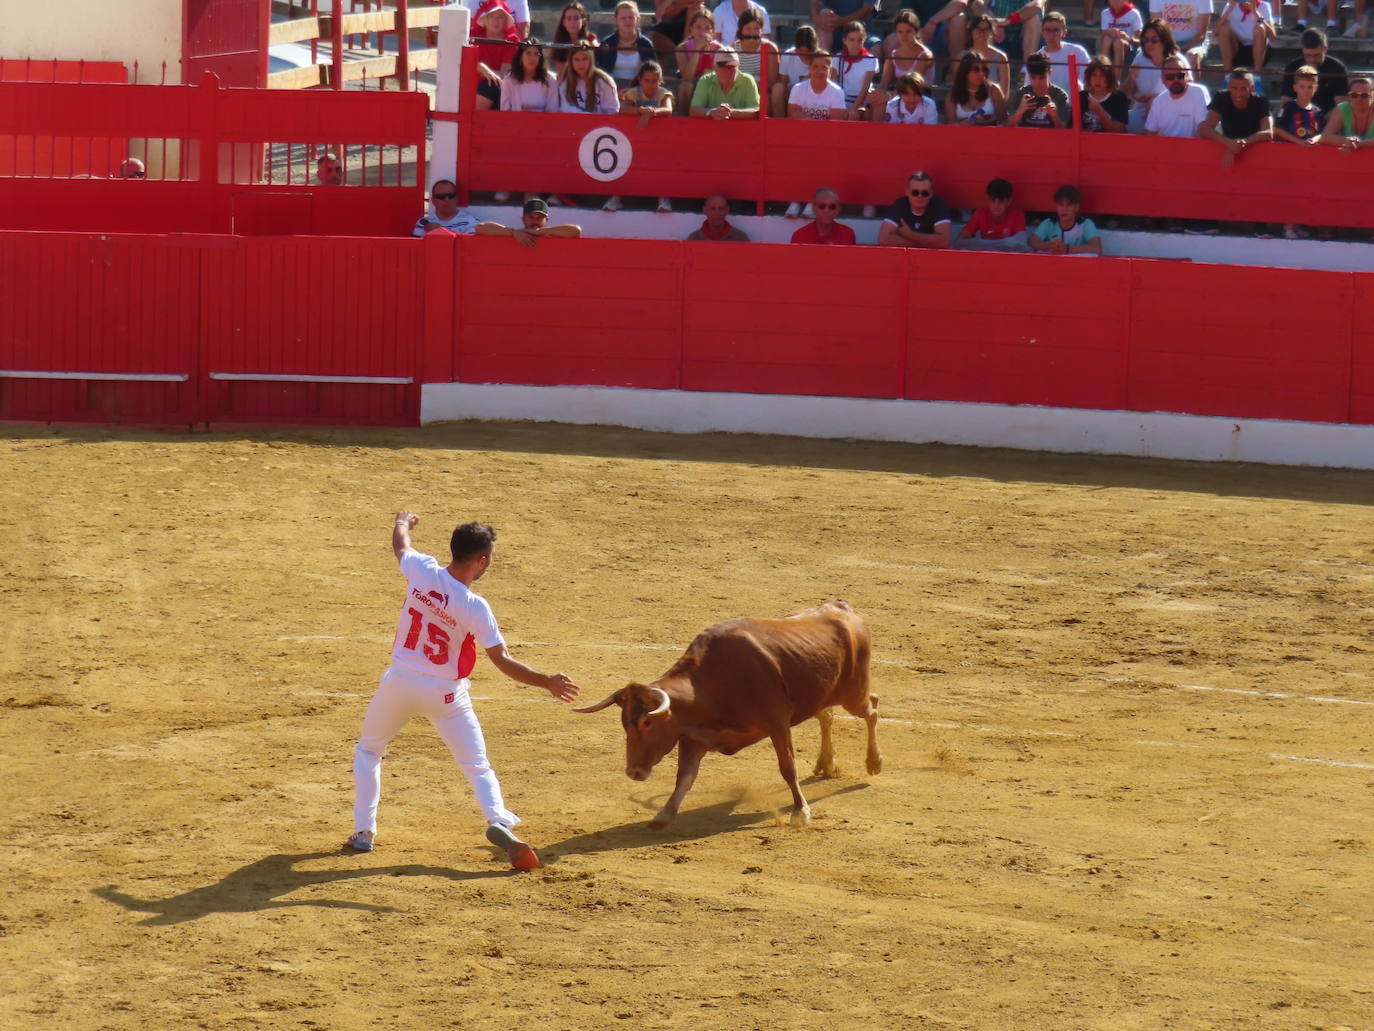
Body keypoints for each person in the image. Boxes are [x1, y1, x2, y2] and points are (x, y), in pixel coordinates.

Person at [346, 515, 580, 868]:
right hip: (446, 693)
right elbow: (502, 661)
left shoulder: (422, 570)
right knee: (476, 765)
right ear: (480, 560)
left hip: (400, 681)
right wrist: (546, 680)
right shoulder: (474, 606)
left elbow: (400, 545)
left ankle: (364, 833)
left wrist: (402, 522)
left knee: (369, 751)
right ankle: (497, 819)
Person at [612, 61, 675, 213]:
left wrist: (651, 112)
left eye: (654, 81)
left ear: (660, 82)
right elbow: (623, 109)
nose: (651, 84)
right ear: (640, 80)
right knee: (623, 166)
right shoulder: (633, 93)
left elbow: (668, 110)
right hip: (634, 140)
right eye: (647, 80)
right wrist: (641, 111)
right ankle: (616, 197)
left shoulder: (663, 93)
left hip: (659, 142)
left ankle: (663, 199)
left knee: (661, 168)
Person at [1272, 65, 1325, 239]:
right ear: (1295, 87)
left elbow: (1321, 133)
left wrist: (1313, 141)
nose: (1306, 91)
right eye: (1302, 87)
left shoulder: (1317, 111)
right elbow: (1277, 129)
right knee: (1290, 192)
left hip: (1309, 160)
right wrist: (1298, 142)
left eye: (1310, 87)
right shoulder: (1288, 107)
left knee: (1304, 192)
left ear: (1316, 88)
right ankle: (1288, 226)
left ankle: (1298, 223)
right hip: (1289, 157)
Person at [1198, 68, 1273, 168]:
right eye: (1234, 88)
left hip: (1255, 149)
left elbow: (1268, 133)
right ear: (1228, 87)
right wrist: (1230, 144)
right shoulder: (1221, 97)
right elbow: (1204, 129)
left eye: (1243, 89)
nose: (1238, 94)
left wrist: (1242, 143)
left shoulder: (1261, 101)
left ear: (1252, 88)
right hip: (1227, 145)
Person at [870, 10, 934, 121]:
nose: (904, 36)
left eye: (908, 31)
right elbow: (883, 83)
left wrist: (888, 96)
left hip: (920, 96)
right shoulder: (894, 54)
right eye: (900, 32)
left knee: (883, 101)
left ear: (916, 31)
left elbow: (915, 85)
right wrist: (877, 95)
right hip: (900, 95)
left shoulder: (925, 55)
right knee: (877, 102)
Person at [877, 170, 954, 248]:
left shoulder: (938, 204)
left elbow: (943, 242)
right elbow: (883, 239)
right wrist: (921, 245)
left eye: (924, 193)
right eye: (915, 192)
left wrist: (908, 234)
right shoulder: (901, 204)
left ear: (931, 194)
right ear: (907, 192)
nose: (919, 196)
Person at [1126, 18, 1179, 128]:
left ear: (1164, 41)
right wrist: (1131, 79)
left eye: (1154, 40)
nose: (1149, 44)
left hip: (1172, 115)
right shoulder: (1140, 58)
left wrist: (1154, 97)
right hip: (1141, 112)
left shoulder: (1178, 62)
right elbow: (1126, 91)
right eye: (1145, 40)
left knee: (1153, 103)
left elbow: (1185, 94)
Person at [1280, 29, 1348, 115]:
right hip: (1298, 119)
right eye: (1308, 55)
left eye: (1316, 55)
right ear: (1303, 50)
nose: (1312, 60)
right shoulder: (1292, 68)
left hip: (1328, 119)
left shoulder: (1337, 68)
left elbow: (1341, 105)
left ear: (1325, 49)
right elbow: (1286, 102)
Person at [1144, 53, 1210, 137]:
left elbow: (1203, 129)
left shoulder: (1198, 92)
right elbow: (1151, 133)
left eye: (1180, 75)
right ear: (1163, 79)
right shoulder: (1158, 101)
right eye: (1170, 77)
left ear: (1187, 75)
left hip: (1192, 146)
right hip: (1166, 147)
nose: (1176, 80)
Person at [598, 1, 657, 89]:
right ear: (616, 20)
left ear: (637, 19)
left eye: (631, 18)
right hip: (611, 89)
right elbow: (600, 73)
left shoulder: (646, 44)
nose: (627, 21)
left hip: (639, 89)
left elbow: (653, 73)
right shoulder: (607, 43)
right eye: (623, 18)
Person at [476, 198, 583, 246]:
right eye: (531, 217)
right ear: (523, 219)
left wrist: (539, 232)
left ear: (547, 220)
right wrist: (513, 232)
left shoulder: (554, 233)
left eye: (539, 218)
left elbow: (575, 231)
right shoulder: (515, 233)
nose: (535, 221)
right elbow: (480, 227)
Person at [956, 176, 1028, 249]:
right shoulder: (980, 213)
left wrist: (982, 244)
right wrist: (1005, 243)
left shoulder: (1017, 214)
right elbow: (960, 242)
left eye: (1001, 201)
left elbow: (1021, 241)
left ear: (1009, 201)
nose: (996, 206)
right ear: (987, 199)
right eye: (992, 200)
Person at [1029, 184, 1102, 254]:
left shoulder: (1086, 224)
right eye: (1061, 205)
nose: (1064, 209)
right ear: (1056, 207)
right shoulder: (1049, 223)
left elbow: (1097, 248)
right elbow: (1033, 241)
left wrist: (1067, 248)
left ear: (1076, 207)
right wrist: (1049, 245)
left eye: (1069, 205)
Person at [689, 48, 761, 118]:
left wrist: (727, 113)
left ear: (738, 66)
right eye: (722, 65)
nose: (727, 70)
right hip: (710, 129)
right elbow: (694, 110)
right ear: (714, 67)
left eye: (732, 66)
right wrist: (712, 112)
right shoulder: (705, 80)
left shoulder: (747, 81)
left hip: (741, 129)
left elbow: (756, 112)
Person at [1029, 10, 1089, 94]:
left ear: (1064, 32)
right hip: (1047, 105)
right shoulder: (1037, 59)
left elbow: (1087, 78)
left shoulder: (1078, 51)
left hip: (1074, 105)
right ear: (1042, 32)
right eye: (1047, 30)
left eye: (1056, 30)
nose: (1051, 33)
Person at [555, 41, 620, 112]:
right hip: (573, 121)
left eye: (585, 59)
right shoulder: (565, 81)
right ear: (571, 62)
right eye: (576, 59)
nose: (581, 63)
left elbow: (612, 109)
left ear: (591, 60)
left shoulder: (604, 81)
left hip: (600, 122)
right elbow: (564, 107)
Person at [972, 0, 1045, 63]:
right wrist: (991, 21)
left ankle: (1027, 71)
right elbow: (977, 4)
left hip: (1022, 39)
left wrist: (1009, 20)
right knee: (986, 23)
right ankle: (988, 69)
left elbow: (1038, 4)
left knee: (1033, 19)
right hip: (995, 37)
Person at [832, 20, 879, 118]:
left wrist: (853, 108)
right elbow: (834, 85)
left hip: (862, 101)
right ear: (844, 40)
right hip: (841, 100)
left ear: (864, 39)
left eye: (859, 40)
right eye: (852, 40)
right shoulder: (837, 58)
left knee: (855, 115)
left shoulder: (870, 60)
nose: (856, 44)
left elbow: (865, 88)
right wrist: (842, 107)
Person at [1148, 0, 1210, 73]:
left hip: (1195, 44)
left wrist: (1180, 49)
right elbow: (1157, 30)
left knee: (1191, 56)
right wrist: (1170, 47)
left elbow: (1201, 35)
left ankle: (1190, 83)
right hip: (1166, 42)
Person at [1011, 50, 1070, 127]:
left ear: (1050, 73)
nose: (1037, 82)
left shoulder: (1060, 95)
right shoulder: (1021, 93)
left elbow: (1066, 132)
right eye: (1033, 77)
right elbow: (1008, 126)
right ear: (1028, 74)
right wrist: (1020, 110)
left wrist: (1055, 116)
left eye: (1042, 78)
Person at [1216, 0, 1275, 74]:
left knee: (1260, 28)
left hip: (1260, 52)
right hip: (1236, 49)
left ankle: (1257, 76)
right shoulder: (1230, 5)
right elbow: (1216, 32)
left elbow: (1272, 36)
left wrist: (1255, 12)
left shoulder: (1264, 6)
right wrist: (1229, 10)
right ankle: (1227, 75)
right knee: (1224, 29)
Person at [773, 23, 820, 115]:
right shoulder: (788, 55)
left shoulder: (821, 58)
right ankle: (779, 124)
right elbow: (783, 83)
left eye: (808, 52)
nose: (804, 55)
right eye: (800, 51)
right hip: (791, 98)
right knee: (778, 88)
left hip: (815, 100)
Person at [1318, 74, 1374, 151]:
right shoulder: (1343, 108)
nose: (1359, 99)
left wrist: (1359, 144)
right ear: (1349, 96)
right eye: (1354, 95)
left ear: (1372, 95)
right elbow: (1325, 136)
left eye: (1364, 95)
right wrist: (1348, 141)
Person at [947, 51, 1005, 123]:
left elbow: (1004, 122)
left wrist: (984, 123)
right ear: (965, 72)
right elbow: (948, 126)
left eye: (984, 69)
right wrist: (961, 126)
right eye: (976, 70)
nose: (981, 73)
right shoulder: (953, 95)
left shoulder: (993, 90)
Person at [500, 40, 557, 110]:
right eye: (528, 53)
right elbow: (505, 111)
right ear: (520, 57)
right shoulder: (508, 81)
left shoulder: (550, 80)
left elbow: (553, 110)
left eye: (536, 54)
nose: (532, 58)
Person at [789, 50, 848, 118]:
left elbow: (836, 123)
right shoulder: (797, 89)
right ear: (809, 69)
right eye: (815, 67)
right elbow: (793, 117)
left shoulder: (837, 92)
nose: (819, 71)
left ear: (830, 71)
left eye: (824, 68)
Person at [963, 13, 1011, 96]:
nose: (982, 33)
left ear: (991, 32)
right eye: (978, 29)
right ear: (971, 32)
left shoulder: (1001, 57)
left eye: (986, 29)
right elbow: (959, 88)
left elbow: (1004, 93)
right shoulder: (961, 57)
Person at [1078, 55, 1129, 132]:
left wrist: (1100, 112)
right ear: (1088, 77)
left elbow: (1118, 132)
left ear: (1109, 77)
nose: (1097, 80)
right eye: (1094, 75)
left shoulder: (1119, 98)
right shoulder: (1081, 97)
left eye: (1102, 75)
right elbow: (1072, 129)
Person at [646, 0, 706, 65]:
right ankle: (660, 72)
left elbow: (698, 1)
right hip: (666, 28)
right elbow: (662, 12)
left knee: (695, 9)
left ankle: (685, 49)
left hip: (688, 27)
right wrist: (686, 4)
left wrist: (670, 2)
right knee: (649, 41)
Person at [811, 0, 884, 53]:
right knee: (825, 16)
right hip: (830, 31)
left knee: (875, 49)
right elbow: (815, 3)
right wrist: (816, 17)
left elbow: (867, 9)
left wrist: (841, 21)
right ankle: (824, 64)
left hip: (861, 32)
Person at [790, 187, 857, 244]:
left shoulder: (848, 234)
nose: (826, 211)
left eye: (832, 207)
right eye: (822, 206)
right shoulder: (799, 236)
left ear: (838, 209)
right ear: (814, 207)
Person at [733, 9, 781, 88]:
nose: (752, 33)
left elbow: (772, 81)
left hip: (762, 91)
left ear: (761, 30)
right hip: (739, 91)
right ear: (741, 30)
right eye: (748, 28)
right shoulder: (733, 49)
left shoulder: (770, 49)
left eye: (756, 29)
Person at [412, 180, 479, 235]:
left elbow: (469, 246)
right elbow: (419, 249)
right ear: (433, 201)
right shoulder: (424, 223)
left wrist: (441, 231)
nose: (447, 200)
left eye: (451, 196)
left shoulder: (470, 221)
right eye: (441, 196)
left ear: (457, 198)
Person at [551, 1, 598, 76]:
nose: (572, 22)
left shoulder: (590, 38)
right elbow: (561, 72)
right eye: (569, 18)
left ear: (583, 21)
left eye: (576, 18)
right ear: (564, 22)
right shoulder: (560, 41)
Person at [1098, 0, 1143, 74]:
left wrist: (1128, 38)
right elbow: (1103, 33)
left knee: (1118, 42)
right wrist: (1109, 32)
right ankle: (1103, 72)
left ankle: (1116, 79)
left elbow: (1141, 39)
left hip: (1128, 46)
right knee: (1106, 39)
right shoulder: (1105, 13)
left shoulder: (1133, 13)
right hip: (1109, 43)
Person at [465, 0, 530, 39]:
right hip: (480, 41)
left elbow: (523, 29)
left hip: (508, 43)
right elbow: (467, 24)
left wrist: (521, 52)